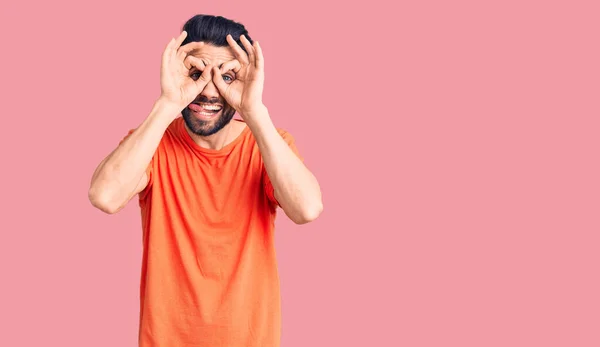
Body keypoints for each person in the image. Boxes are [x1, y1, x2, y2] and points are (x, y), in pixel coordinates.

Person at [88, 14, 323, 347]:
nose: (209, 90)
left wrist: (254, 111)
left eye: (227, 76)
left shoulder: (270, 144)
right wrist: (168, 103)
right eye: (196, 73)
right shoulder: (152, 144)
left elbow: (307, 209)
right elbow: (104, 196)